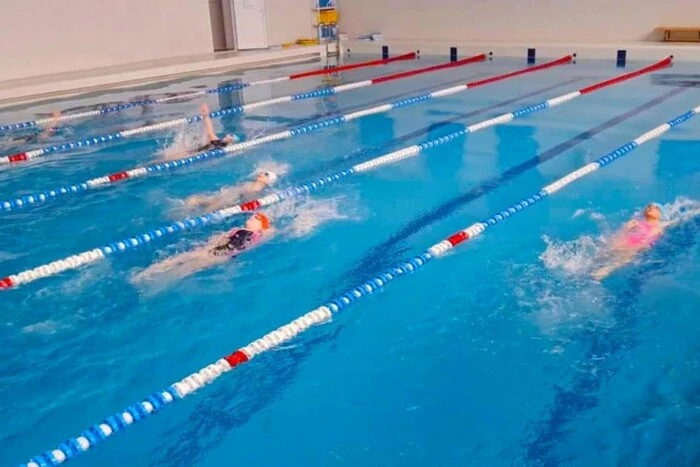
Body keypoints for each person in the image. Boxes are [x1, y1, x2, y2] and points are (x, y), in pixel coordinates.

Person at [133, 212, 273, 282]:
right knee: (186, 262)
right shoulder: (240, 230)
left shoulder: (256, 234)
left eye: (255, 218)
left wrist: (211, 249)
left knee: (187, 262)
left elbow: (222, 241)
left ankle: (153, 275)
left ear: (260, 225)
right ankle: (153, 276)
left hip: (222, 254)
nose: (250, 218)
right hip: (222, 253)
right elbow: (219, 240)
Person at [592, 203, 668, 280]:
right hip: (621, 243)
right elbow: (620, 233)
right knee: (602, 255)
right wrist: (625, 228)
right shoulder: (635, 223)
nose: (650, 207)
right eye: (649, 206)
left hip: (633, 249)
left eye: (656, 208)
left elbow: (647, 242)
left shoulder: (659, 228)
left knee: (622, 259)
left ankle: (605, 271)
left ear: (661, 215)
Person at [184, 170, 278, 212]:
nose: (261, 173)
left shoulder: (256, 191)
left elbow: (246, 201)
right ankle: (186, 210)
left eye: (266, 174)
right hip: (225, 196)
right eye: (262, 172)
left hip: (229, 201)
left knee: (207, 211)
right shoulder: (249, 183)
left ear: (268, 181)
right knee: (194, 199)